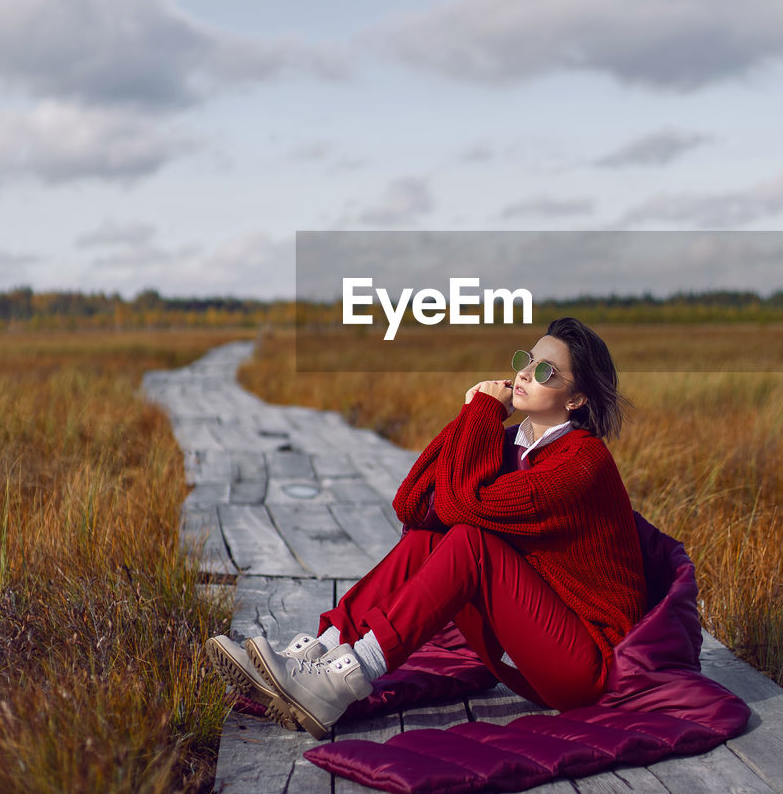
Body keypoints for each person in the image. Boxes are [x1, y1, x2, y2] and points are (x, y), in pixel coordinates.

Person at [205, 317, 647, 740]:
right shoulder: (515, 443)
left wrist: (482, 416)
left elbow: (460, 506)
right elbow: (414, 504)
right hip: (533, 645)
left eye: (546, 370)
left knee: (471, 542)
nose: (526, 375)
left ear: (576, 399)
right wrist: (473, 417)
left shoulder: (582, 462)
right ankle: (318, 652)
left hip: (587, 666)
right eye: (525, 361)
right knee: (429, 539)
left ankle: (347, 677)